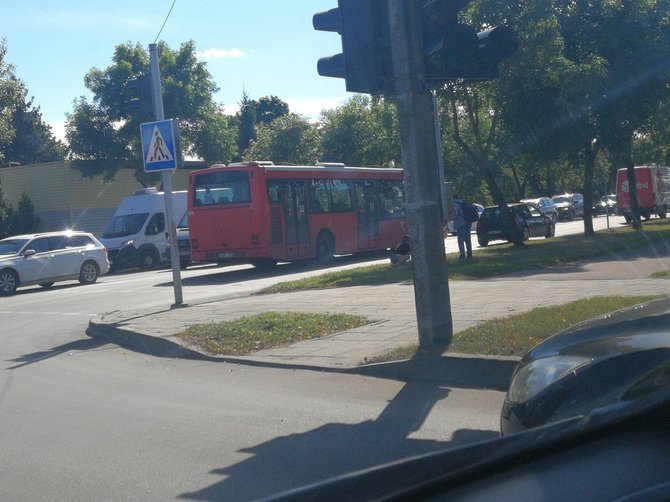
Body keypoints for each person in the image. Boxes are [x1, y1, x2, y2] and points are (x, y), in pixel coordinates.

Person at [454, 194, 473, 260]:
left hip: (461, 224)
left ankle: (462, 255)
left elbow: (455, 214)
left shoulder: (456, 205)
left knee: (460, 240)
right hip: (468, 222)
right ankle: (469, 254)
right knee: (468, 240)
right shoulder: (464, 203)